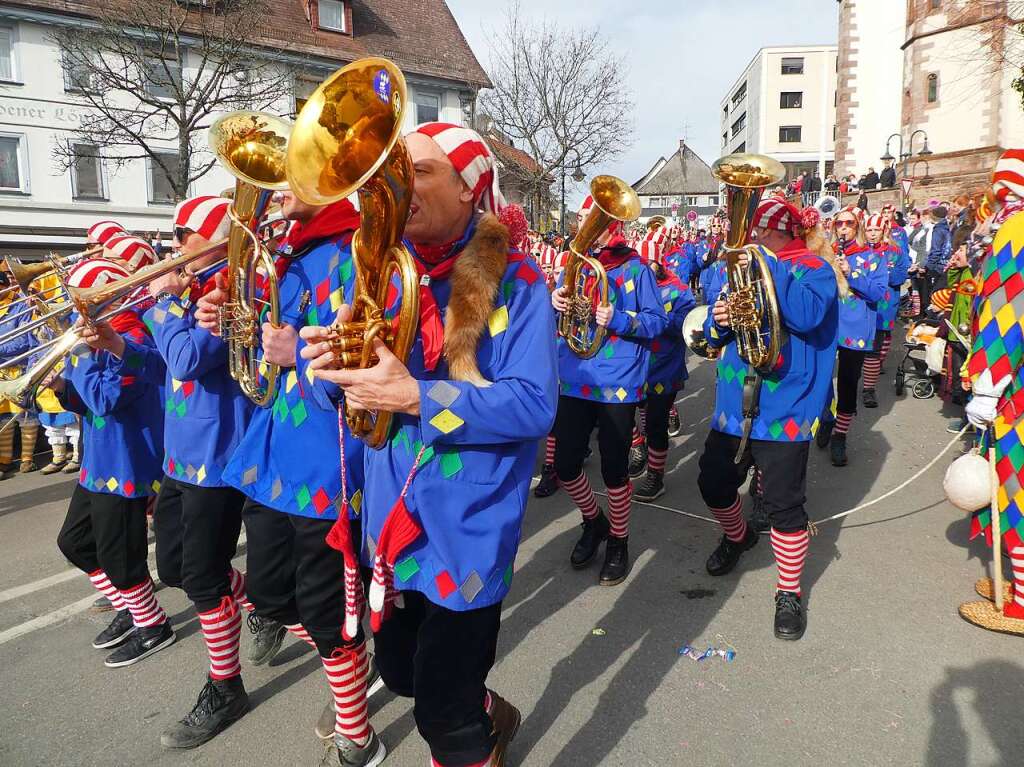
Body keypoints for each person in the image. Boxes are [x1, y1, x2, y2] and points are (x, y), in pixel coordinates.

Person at [300, 122, 557, 767]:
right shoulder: (378, 272)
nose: (395, 184)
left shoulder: (521, 284)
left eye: (420, 171)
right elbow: (345, 401)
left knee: (442, 712)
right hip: (392, 517)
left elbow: (533, 405)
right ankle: (486, 710)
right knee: (403, 674)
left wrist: (417, 397)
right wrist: (330, 370)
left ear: (470, 188)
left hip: (467, 521)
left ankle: (471, 730)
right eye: (394, 170)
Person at [195, 190, 387, 766]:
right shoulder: (285, 255)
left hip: (328, 461)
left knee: (326, 611)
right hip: (273, 458)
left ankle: (358, 736)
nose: (277, 194)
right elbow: (258, 356)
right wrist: (228, 322)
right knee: (273, 598)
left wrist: (296, 356)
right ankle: (350, 659)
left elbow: (369, 365)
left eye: (292, 180)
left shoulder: (360, 255)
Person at [125, 196, 263, 749]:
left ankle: (225, 686)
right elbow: (162, 368)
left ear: (212, 241)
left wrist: (160, 306)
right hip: (181, 456)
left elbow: (186, 358)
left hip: (217, 458)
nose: (174, 249)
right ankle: (259, 601)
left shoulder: (227, 295)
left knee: (203, 577)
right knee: (178, 570)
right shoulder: (188, 295)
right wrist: (117, 343)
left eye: (185, 237)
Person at [697, 199, 839, 640]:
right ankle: (738, 535)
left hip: (786, 407)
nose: (752, 239)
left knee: (784, 506)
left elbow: (806, 315)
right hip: (734, 403)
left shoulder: (814, 270)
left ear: (778, 234)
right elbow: (715, 334)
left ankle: (789, 591)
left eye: (759, 233)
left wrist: (768, 266)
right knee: (712, 482)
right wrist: (718, 321)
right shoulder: (745, 269)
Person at [52, 258, 174, 667]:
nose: (76, 312)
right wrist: (53, 384)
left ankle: (152, 625)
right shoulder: (101, 336)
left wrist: (82, 355)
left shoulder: (135, 336)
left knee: (121, 558)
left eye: (82, 303)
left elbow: (105, 399)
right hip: (99, 459)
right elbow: (86, 404)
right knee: (74, 542)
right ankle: (135, 607)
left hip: (127, 464)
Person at [550, 193, 667, 586]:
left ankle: (619, 538)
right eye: (584, 221)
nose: (587, 228)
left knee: (615, 469)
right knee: (565, 464)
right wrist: (556, 302)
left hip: (617, 381)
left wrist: (618, 317)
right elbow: (559, 315)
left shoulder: (636, 269)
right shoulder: (575, 264)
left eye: (594, 222)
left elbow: (656, 323)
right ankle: (593, 520)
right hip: (574, 374)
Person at [960, 148, 1024, 635]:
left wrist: (989, 383)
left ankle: (1019, 603)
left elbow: (1006, 316)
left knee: (1017, 485)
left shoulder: (1017, 229)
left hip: (1015, 388)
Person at [629, 227, 695, 501]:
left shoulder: (678, 290)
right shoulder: (630, 283)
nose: (643, 269)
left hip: (664, 367)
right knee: (623, 413)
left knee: (656, 423)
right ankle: (638, 445)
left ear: (659, 261)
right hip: (634, 366)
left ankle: (656, 476)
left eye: (648, 263)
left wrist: (656, 319)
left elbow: (689, 324)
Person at [819, 206, 887, 466]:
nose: (844, 227)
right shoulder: (827, 255)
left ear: (857, 226)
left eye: (849, 223)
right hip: (827, 326)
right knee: (822, 378)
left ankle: (840, 434)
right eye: (839, 224)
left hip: (855, 331)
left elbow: (878, 293)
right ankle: (825, 417)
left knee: (847, 383)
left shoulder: (874, 258)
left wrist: (851, 274)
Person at [860, 212, 910, 408]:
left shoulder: (895, 251)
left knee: (876, 345)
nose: (872, 234)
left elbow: (898, 277)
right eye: (869, 230)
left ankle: (868, 389)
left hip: (885, 305)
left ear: (884, 230)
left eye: (876, 230)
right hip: (862, 306)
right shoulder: (860, 250)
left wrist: (876, 275)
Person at [925, 205, 952, 304]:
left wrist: (929, 267)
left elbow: (936, 250)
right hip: (945, 264)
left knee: (935, 294)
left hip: (938, 267)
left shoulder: (938, 230)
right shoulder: (946, 227)